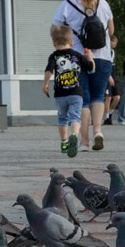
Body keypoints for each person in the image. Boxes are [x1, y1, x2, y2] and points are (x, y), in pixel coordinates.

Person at [51, 0, 115, 154]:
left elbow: (55, 29)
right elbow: (111, 31)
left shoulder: (67, 4)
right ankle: (98, 132)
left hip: (76, 57)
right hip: (103, 56)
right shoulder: (103, 3)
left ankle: (85, 142)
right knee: (98, 96)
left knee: (83, 98)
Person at [44, 23, 85, 158]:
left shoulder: (54, 56)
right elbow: (90, 67)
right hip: (76, 93)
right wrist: (90, 58)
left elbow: (49, 71)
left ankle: (64, 143)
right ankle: (74, 135)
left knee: (62, 118)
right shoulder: (77, 55)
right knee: (75, 117)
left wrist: (45, 85)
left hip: (60, 94)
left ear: (54, 43)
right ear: (72, 42)